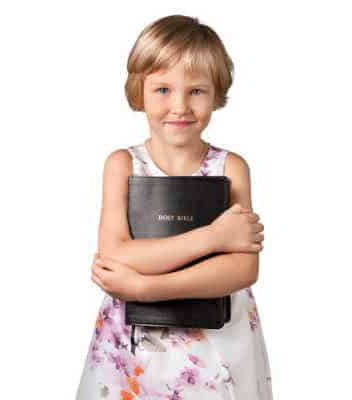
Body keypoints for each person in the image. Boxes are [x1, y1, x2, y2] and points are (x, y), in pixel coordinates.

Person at [75, 14, 273, 400]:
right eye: (163, 89)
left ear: (216, 92)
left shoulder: (230, 169)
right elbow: (117, 254)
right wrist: (213, 237)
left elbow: (242, 268)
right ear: (139, 91)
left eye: (196, 91)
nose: (179, 106)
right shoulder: (122, 165)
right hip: (134, 349)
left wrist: (146, 286)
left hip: (215, 347)